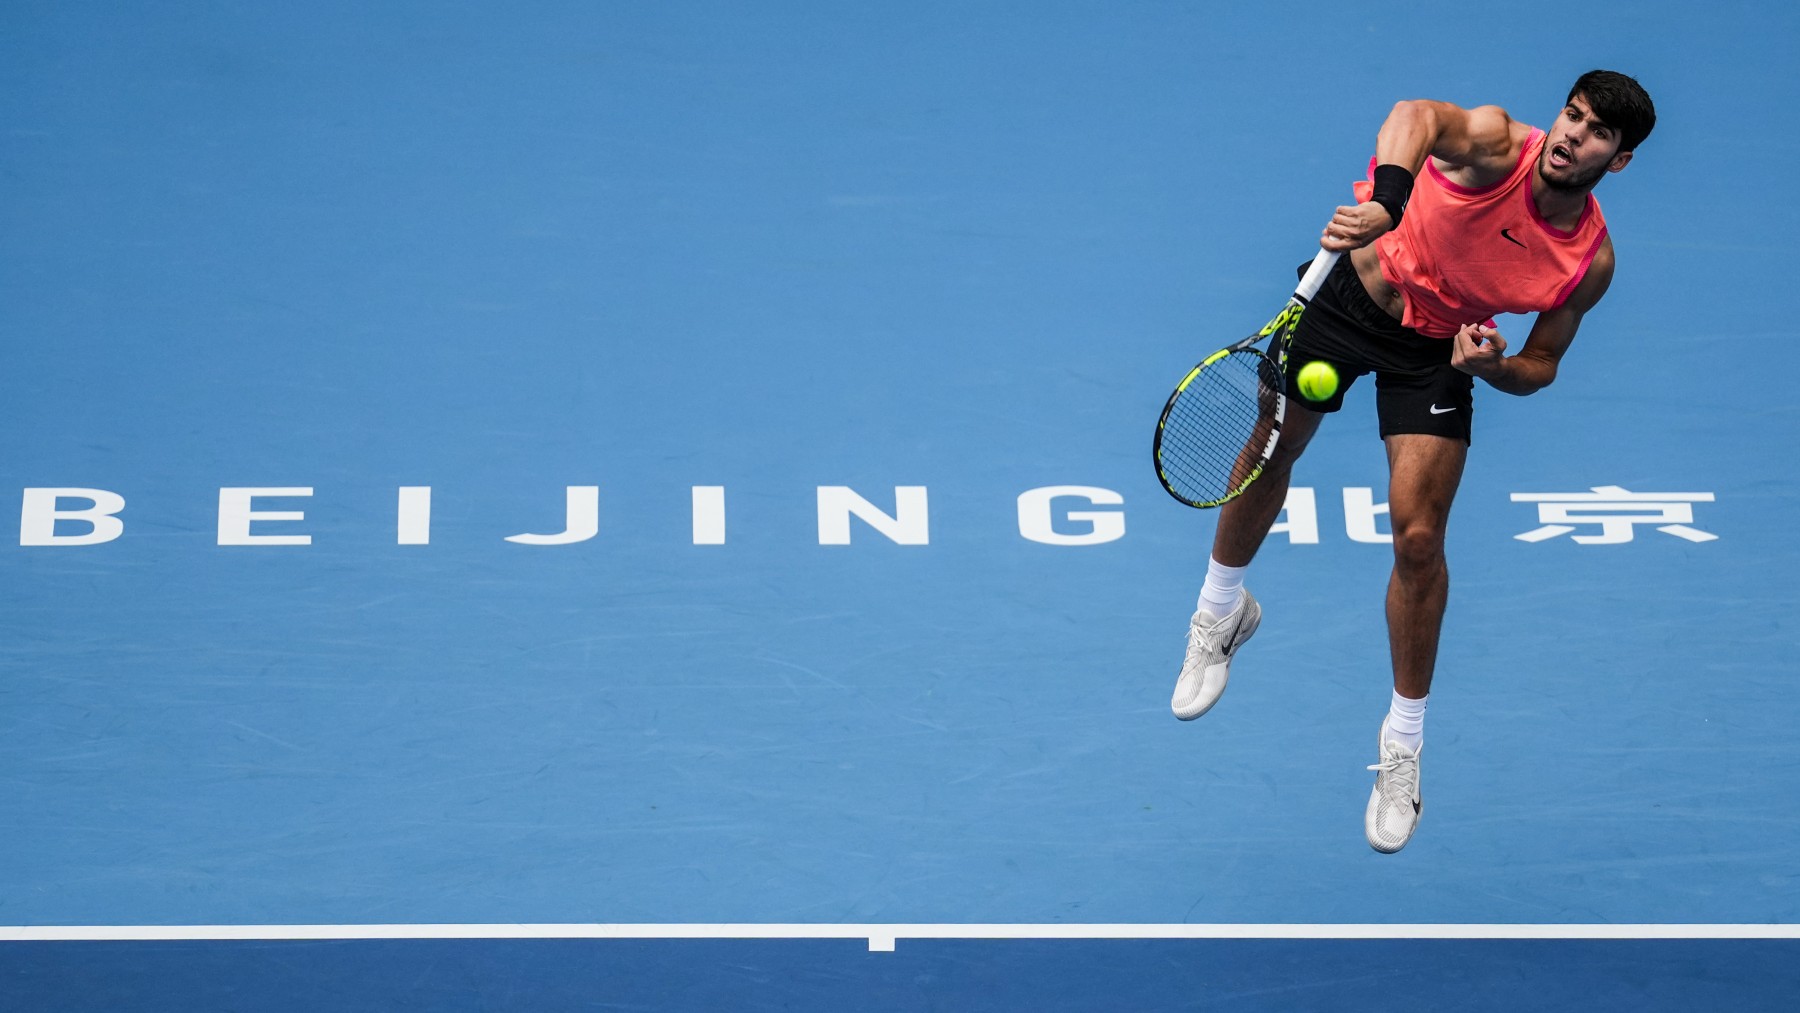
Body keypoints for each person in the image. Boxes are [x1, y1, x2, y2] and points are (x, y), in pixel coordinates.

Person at [1171, 70, 1656, 853]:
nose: (1572, 136)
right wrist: (1386, 206)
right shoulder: (1497, 144)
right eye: (1573, 115)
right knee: (1273, 442)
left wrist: (1494, 367)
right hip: (1351, 292)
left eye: (1598, 132)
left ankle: (1402, 746)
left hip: (1437, 352)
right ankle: (1220, 611)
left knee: (1420, 539)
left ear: (1620, 160)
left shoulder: (1587, 263)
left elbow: (1544, 363)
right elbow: (1415, 114)